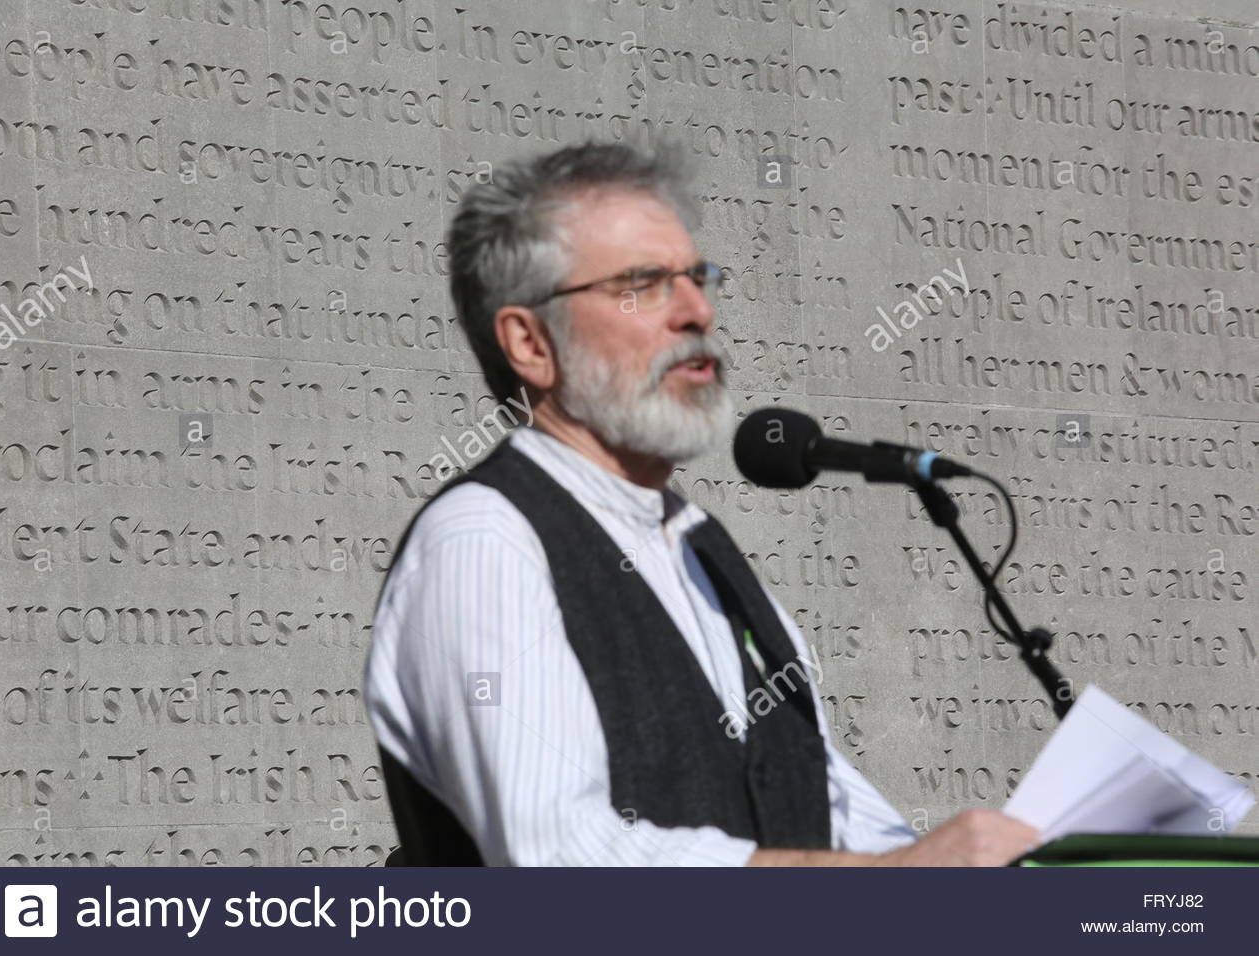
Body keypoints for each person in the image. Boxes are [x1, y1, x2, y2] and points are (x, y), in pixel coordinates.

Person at [363, 140, 1040, 866]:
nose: (697, 311)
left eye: (696, 277)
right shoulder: (484, 542)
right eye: (644, 283)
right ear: (529, 343)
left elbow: (827, 809)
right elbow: (561, 857)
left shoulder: (701, 548)